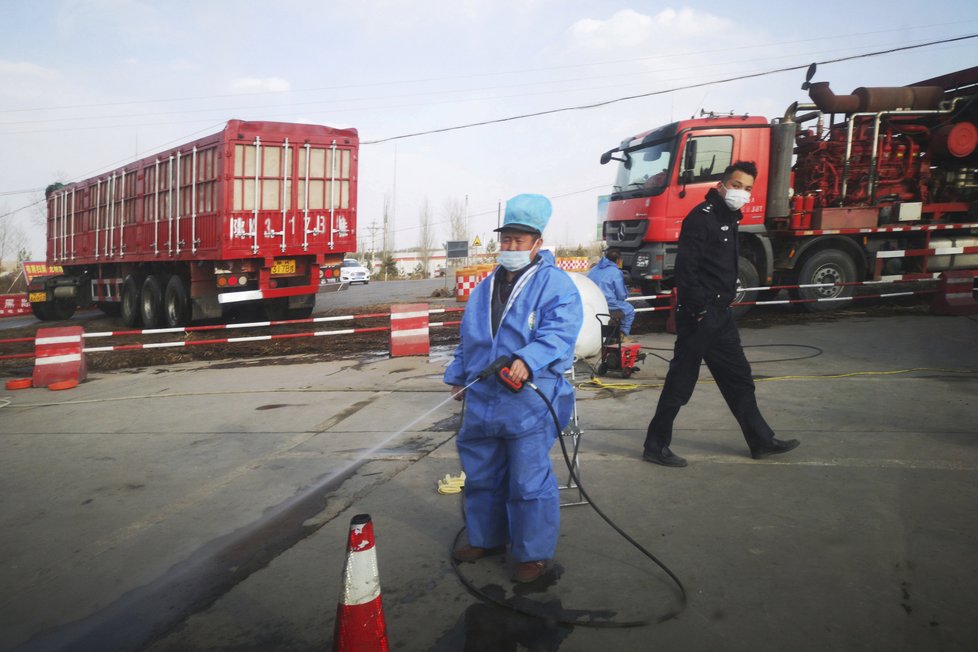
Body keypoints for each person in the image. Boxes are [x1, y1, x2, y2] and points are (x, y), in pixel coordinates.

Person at [444, 193, 583, 583]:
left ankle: (531, 554)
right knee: (482, 473)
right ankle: (487, 538)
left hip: (528, 399)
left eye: (519, 241)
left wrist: (528, 359)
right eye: (506, 240)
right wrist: (458, 375)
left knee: (526, 479)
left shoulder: (555, 285)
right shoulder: (484, 287)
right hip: (483, 396)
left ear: (537, 243)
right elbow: (468, 339)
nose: (510, 247)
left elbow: (560, 333)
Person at [642, 161, 800, 467]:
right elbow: (686, 271)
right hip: (701, 316)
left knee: (739, 378)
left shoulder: (730, 218)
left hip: (721, 316)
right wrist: (699, 310)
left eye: (748, 188)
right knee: (681, 382)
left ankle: (761, 440)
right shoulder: (701, 219)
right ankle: (655, 445)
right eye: (737, 186)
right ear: (722, 186)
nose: (742, 193)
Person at [587, 247, 635, 338]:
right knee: (629, 310)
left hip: (592, 301)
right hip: (608, 303)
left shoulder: (594, 269)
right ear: (618, 260)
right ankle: (622, 335)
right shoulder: (616, 272)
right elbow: (621, 295)